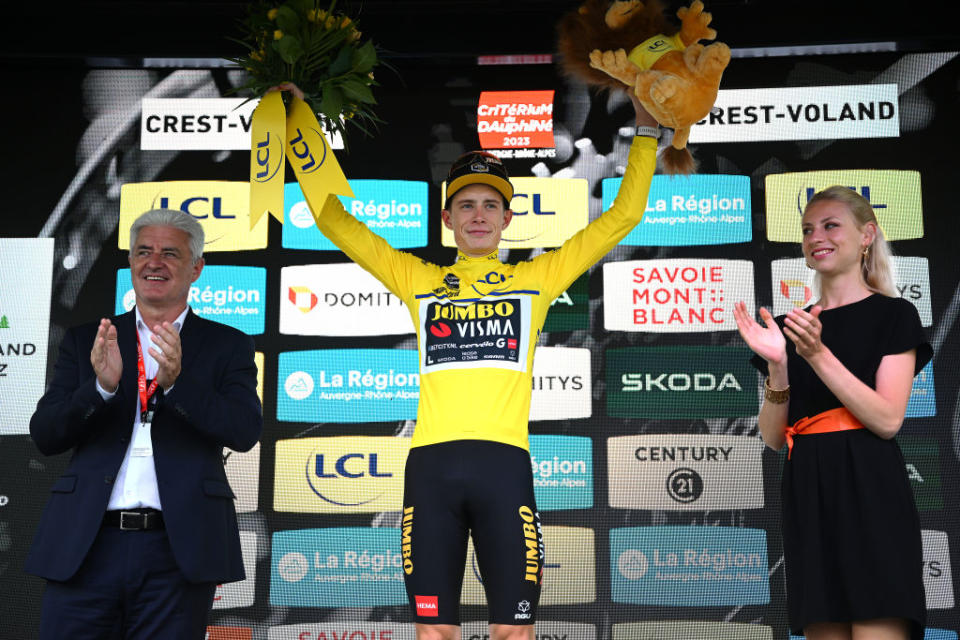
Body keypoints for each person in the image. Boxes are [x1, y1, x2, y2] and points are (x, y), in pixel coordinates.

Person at [281, 80, 659, 639]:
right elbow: (336, 221)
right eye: (465, 205)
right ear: (447, 220)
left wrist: (648, 130)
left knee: (513, 632)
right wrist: (298, 129)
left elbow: (623, 216)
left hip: (504, 471)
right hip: (430, 473)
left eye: (489, 205)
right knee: (435, 633)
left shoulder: (537, 279)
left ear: (508, 220)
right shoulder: (420, 282)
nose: (478, 215)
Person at [25, 209, 263, 639]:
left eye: (170, 253)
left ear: (196, 268)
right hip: (86, 542)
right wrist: (99, 387)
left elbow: (244, 430)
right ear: (131, 263)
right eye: (144, 251)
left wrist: (178, 386)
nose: (155, 262)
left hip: (177, 549)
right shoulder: (89, 340)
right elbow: (45, 435)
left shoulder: (227, 344)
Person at [734, 186, 931, 640]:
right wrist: (780, 366)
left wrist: (817, 354)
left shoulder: (895, 315)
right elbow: (770, 436)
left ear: (867, 235)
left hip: (870, 488)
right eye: (807, 230)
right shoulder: (789, 328)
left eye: (829, 225)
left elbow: (886, 420)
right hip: (807, 490)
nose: (815, 236)